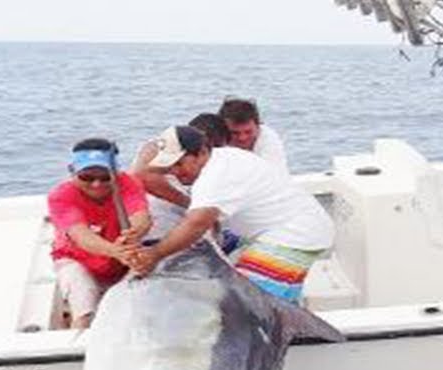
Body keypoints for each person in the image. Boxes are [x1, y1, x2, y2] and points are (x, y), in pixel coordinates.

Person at [129, 125, 333, 305]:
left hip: (294, 235)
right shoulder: (221, 158)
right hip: (269, 233)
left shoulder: (215, 175)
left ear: (201, 152)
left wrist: (154, 255)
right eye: (170, 166)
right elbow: (141, 174)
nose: (174, 172)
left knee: (247, 302)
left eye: (180, 164)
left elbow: (196, 224)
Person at [47, 138, 151, 329]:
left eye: (105, 177)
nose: (96, 184)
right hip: (78, 260)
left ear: (116, 173)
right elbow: (81, 236)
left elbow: (141, 217)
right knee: (85, 307)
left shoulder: (128, 183)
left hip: (123, 260)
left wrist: (134, 234)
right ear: (72, 172)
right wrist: (116, 251)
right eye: (87, 177)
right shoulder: (61, 196)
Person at [131, 113, 230, 243]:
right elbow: (141, 175)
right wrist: (191, 205)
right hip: (158, 233)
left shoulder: (219, 167)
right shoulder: (159, 148)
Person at [218, 97, 289, 173]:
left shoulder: (269, 140)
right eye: (235, 133)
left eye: (248, 132)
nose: (242, 138)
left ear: (258, 126)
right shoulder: (214, 139)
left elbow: (272, 174)